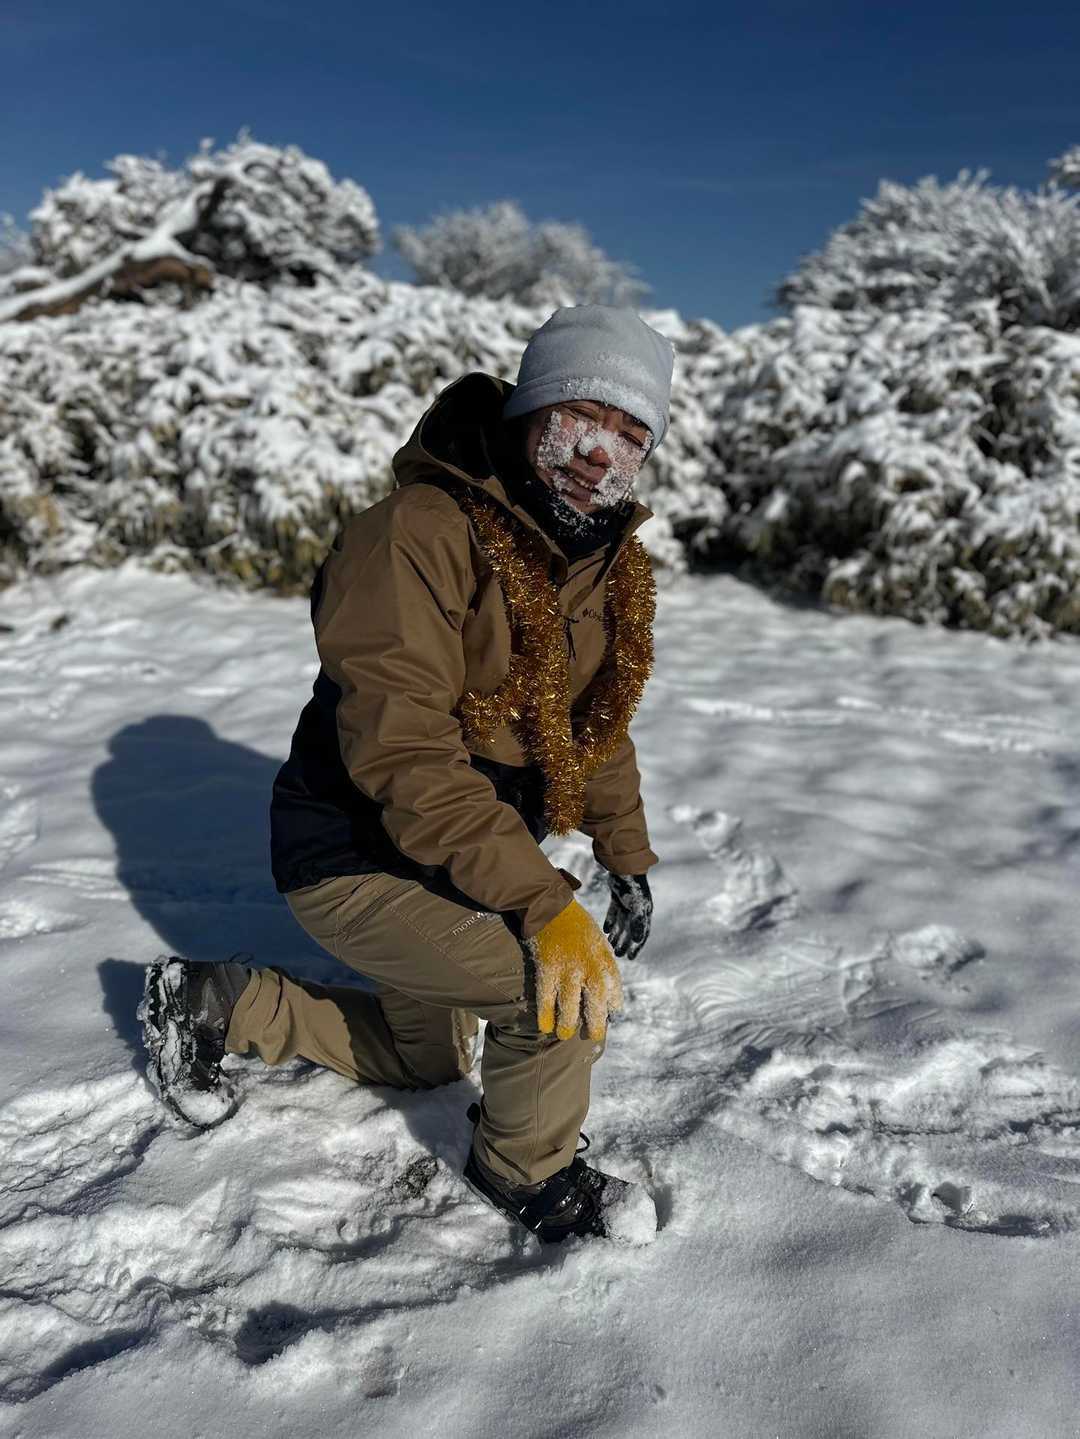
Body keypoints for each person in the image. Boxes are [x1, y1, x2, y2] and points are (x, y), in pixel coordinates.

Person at [139, 304, 673, 1243]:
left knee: (424, 1063)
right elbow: (403, 751)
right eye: (585, 414)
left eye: (632, 434)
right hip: (356, 853)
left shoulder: (596, 564)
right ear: (531, 406)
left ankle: (214, 1002)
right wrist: (543, 902)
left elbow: (594, 731)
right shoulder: (416, 533)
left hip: (450, 862)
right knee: (555, 994)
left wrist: (625, 856)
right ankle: (526, 1172)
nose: (602, 453)